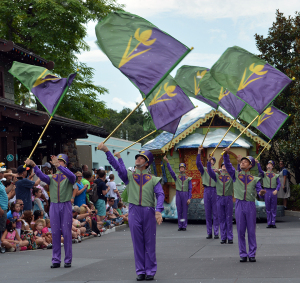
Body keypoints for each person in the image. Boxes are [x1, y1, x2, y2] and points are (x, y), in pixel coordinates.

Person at [98, 142, 164, 281]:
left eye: (141, 158)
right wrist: (107, 151)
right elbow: (117, 167)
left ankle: (150, 270)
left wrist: (158, 210)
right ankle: (140, 270)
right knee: (137, 242)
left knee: (150, 242)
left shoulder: (154, 179)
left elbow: (160, 194)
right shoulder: (129, 176)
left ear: (147, 163)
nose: (138, 159)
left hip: (149, 211)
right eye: (137, 157)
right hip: (134, 211)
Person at [25, 154, 76, 269]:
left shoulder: (69, 177)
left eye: (61, 161)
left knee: (67, 233)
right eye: (57, 161)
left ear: (66, 164)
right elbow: (42, 177)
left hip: (66, 205)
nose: (58, 162)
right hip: (54, 205)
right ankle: (56, 260)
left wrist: (60, 167)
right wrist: (34, 166)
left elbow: (73, 177)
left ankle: (68, 259)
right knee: (55, 233)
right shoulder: (51, 177)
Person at [223, 147, 266, 262]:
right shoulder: (235, 175)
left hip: (250, 205)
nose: (242, 162)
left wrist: (261, 193)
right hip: (239, 205)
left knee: (251, 231)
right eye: (242, 161)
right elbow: (228, 166)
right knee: (241, 231)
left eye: (245, 161)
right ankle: (243, 254)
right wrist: (226, 155)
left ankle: (252, 254)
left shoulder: (255, 179)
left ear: (250, 165)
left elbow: (259, 192)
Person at [207, 156, 234, 244]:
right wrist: (208, 162)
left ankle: (230, 237)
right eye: (223, 165)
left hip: (228, 198)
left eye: (225, 166)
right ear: (221, 167)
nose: (224, 167)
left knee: (229, 218)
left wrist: (228, 163)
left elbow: (233, 170)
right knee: (221, 218)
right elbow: (210, 172)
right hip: (219, 198)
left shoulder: (231, 177)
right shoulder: (217, 177)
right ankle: (223, 237)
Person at [163, 156, 192, 231]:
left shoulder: (188, 179)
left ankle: (184, 225)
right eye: (180, 168)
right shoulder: (177, 177)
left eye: (183, 167)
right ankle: (180, 225)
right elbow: (171, 171)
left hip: (185, 194)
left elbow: (190, 189)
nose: (182, 169)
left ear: (185, 169)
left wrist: (189, 198)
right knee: (179, 210)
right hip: (178, 194)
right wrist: (167, 162)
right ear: (179, 169)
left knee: (184, 211)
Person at [196, 146, 219, 239]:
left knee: (216, 213)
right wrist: (199, 152)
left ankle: (216, 232)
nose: (211, 160)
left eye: (212, 159)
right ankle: (209, 232)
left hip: (215, 191)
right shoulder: (204, 170)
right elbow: (198, 163)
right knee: (208, 213)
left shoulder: (217, 171)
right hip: (206, 191)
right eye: (209, 159)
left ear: (214, 162)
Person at [256, 160, 281, 228]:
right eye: (268, 164)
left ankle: (273, 222)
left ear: (272, 166)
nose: (269, 165)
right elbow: (260, 170)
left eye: (271, 164)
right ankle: (269, 223)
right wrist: (258, 163)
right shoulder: (264, 173)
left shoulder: (276, 175)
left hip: (273, 191)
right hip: (267, 191)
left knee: (273, 207)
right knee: (268, 208)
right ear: (267, 166)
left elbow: (279, 184)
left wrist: (276, 189)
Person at [0, 177, 8, 253]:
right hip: (1, 208)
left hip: (4, 208)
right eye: (1, 173)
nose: (3, 174)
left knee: (2, 227)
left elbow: (6, 192)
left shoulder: (1, 183)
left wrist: (13, 183)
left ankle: (1, 245)